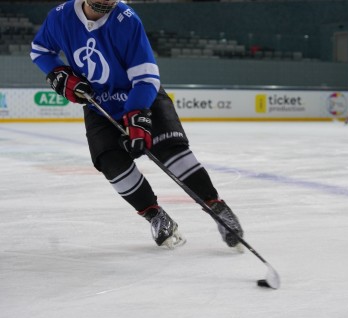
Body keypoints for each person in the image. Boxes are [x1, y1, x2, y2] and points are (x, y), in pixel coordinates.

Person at [30, 0, 243, 250]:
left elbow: (146, 76)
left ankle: (217, 208)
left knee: (171, 152)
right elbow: (40, 50)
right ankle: (155, 215)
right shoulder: (60, 17)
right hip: (99, 103)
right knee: (110, 162)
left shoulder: (127, 20)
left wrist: (137, 113)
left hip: (141, 96)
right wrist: (57, 72)